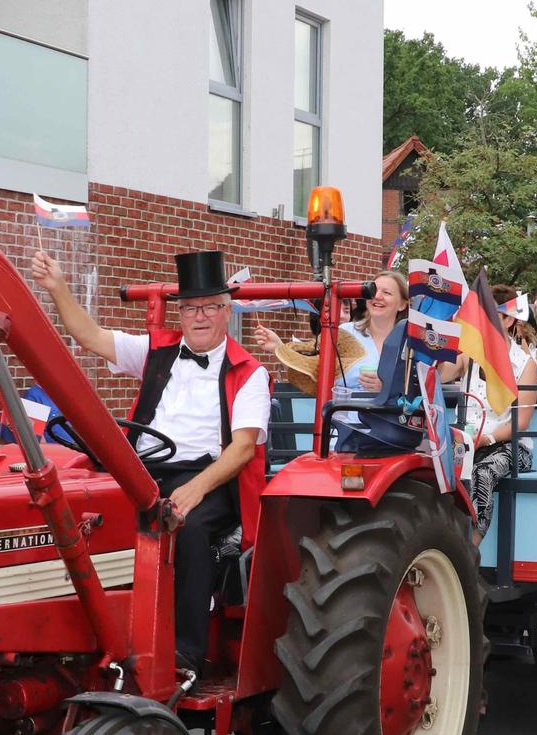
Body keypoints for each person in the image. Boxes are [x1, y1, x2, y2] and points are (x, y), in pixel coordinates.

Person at [32, 248, 270, 676]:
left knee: (190, 528)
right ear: (180, 314)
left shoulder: (250, 372)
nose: (199, 317)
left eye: (210, 308)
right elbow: (90, 336)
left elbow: (242, 449)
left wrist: (197, 488)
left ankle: (184, 654)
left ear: (226, 312)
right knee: (85, 516)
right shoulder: (156, 352)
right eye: (190, 308)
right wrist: (59, 290)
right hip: (144, 470)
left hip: (210, 479)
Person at [463, 284, 537, 544]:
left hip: (510, 445)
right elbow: (442, 372)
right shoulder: (470, 355)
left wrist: (486, 439)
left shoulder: (524, 363)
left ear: (508, 319)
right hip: (466, 442)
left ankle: (472, 546)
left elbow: (521, 422)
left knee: (482, 473)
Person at [252, 269, 408, 397]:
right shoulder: (344, 333)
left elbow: (424, 387)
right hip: (345, 426)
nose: (377, 296)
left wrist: (388, 387)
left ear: (402, 304)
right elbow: (313, 371)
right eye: (373, 290)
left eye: (387, 292)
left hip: (392, 427)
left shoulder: (411, 342)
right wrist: (278, 348)